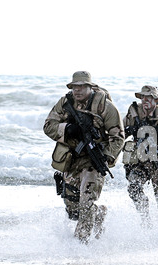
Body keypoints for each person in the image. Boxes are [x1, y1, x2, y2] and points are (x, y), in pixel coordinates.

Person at [44, 71, 125, 243]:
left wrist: (105, 157)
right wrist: (68, 129)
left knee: (86, 204)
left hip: (93, 161)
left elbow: (118, 137)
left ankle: (81, 247)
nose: (78, 90)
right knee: (73, 209)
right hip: (72, 159)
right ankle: (99, 213)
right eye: (75, 87)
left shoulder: (104, 106)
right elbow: (48, 126)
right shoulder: (66, 103)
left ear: (90, 87)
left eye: (82, 87)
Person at [122, 85, 158, 228]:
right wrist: (130, 131)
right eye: (143, 97)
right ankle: (145, 219)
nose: (145, 100)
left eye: (149, 97)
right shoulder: (133, 112)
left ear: (156, 100)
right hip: (140, 161)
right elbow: (120, 133)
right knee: (134, 188)